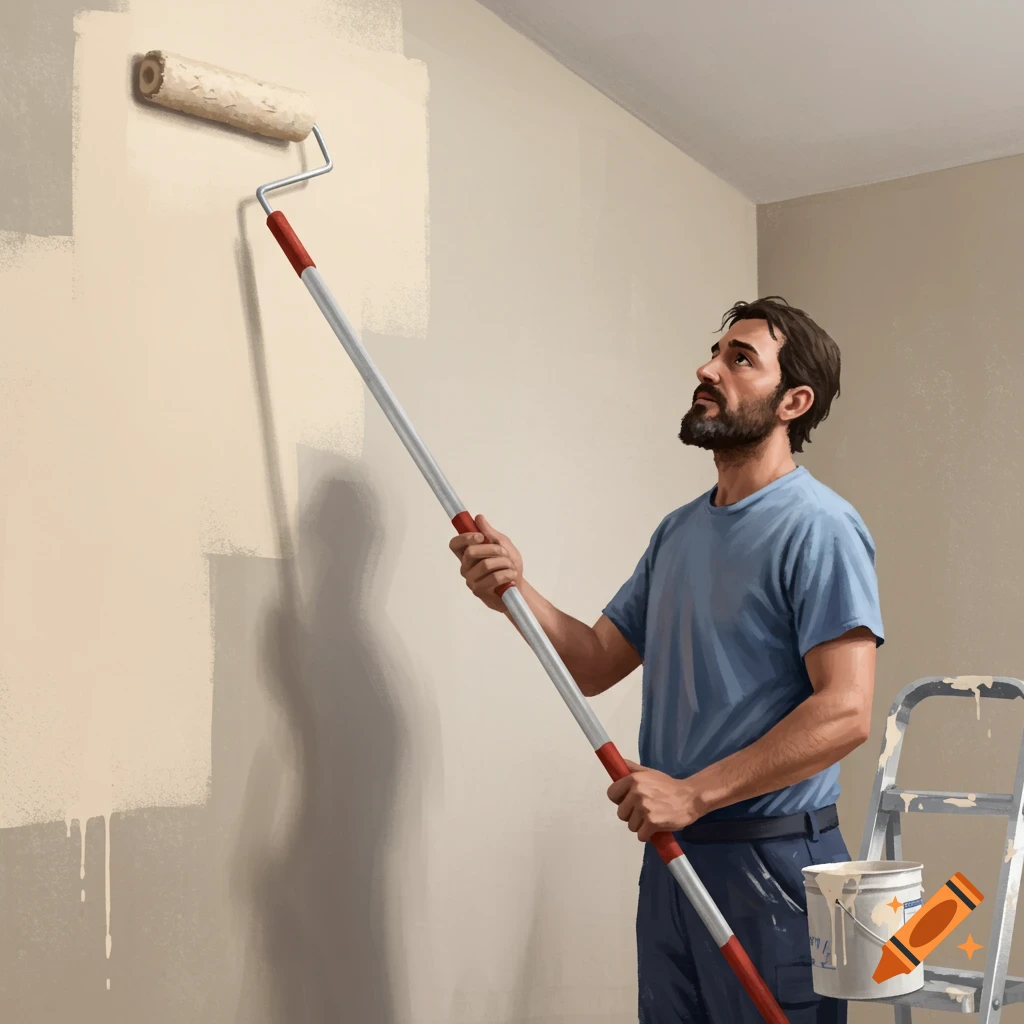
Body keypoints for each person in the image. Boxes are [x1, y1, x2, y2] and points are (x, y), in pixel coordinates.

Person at [449, 296, 883, 1023]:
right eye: (716, 353)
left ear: (793, 402)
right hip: (677, 858)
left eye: (740, 359)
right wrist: (515, 594)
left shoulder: (821, 527)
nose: (708, 368)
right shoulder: (677, 533)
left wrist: (694, 793)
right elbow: (592, 661)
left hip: (772, 867)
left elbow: (845, 711)